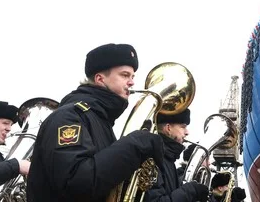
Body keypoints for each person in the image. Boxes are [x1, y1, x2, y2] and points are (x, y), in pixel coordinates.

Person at [26, 43, 167, 201]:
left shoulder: (101, 121)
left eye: (132, 77)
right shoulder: (70, 117)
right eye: (125, 75)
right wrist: (135, 145)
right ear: (100, 79)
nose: (132, 82)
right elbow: (76, 183)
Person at [145, 108, 210, 202]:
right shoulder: (154, 158)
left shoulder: (168, 159)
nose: (187, 132)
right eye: (183, 127)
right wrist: (191, 191)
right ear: (168, 128)